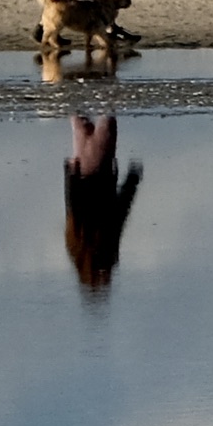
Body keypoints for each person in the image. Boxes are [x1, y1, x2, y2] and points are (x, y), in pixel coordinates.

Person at [60, 109, 140, 297]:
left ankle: (95, 83)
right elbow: (70, 206)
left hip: (99, 169)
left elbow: (120, 212)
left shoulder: (103, 244)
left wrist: (132, 180)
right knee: (79, 118)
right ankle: (70, 84)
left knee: (107, 114)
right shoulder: (74, 247)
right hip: (80, 168)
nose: (109, 278)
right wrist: (69, 171)